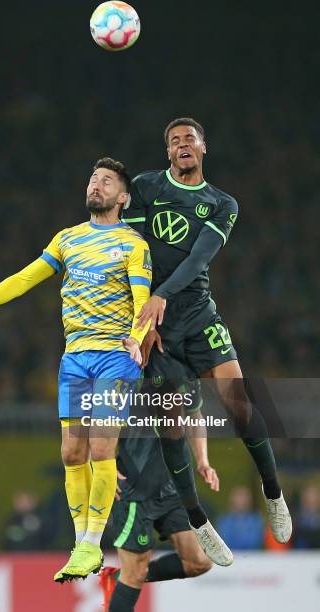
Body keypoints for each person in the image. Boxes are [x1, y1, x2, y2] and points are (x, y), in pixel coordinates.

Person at [0, 157, 153, 582]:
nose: (96, 185)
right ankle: (82, 547)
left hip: (115, 356)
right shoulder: (68, 239)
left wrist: (135, 335)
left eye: (106, 181)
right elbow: (25, 277)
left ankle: (94, 543)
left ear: (123, 197)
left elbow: (142, 296)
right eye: (93, 179)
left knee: (101, 449)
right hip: (75, 359)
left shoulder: (133, 244)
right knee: (72, 453)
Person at [122, 117, 292, 554]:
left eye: (189, 139)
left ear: (202, 148)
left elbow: (199, 258)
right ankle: (197, 520)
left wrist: (161, 295)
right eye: (174, 140)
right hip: (156, 328)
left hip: (198, 315)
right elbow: (134, 249)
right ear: (167, 152)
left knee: (239, 402)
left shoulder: (222, 204)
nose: (182, 144)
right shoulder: (145, 187)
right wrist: (143, 315)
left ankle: (272, 492)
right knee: (172, 426)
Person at [100, 397, 218, 612]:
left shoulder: (182, 374)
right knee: (134, 573)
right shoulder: (124, 377)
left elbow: (194, 415)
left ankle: (120, 578)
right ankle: (127, 577)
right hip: (133, 492)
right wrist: (99, 463)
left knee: (200, 561)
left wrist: (203, 460)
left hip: (172, 488)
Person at [216, 486, 264, 550]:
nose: (242, 500)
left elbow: (255, 541)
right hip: (229, 556)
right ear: (232, 499)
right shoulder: (224, 520)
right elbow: (223, 540)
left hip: (252, 557)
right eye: (240, 496)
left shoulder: (256, 520)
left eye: (245, 497)